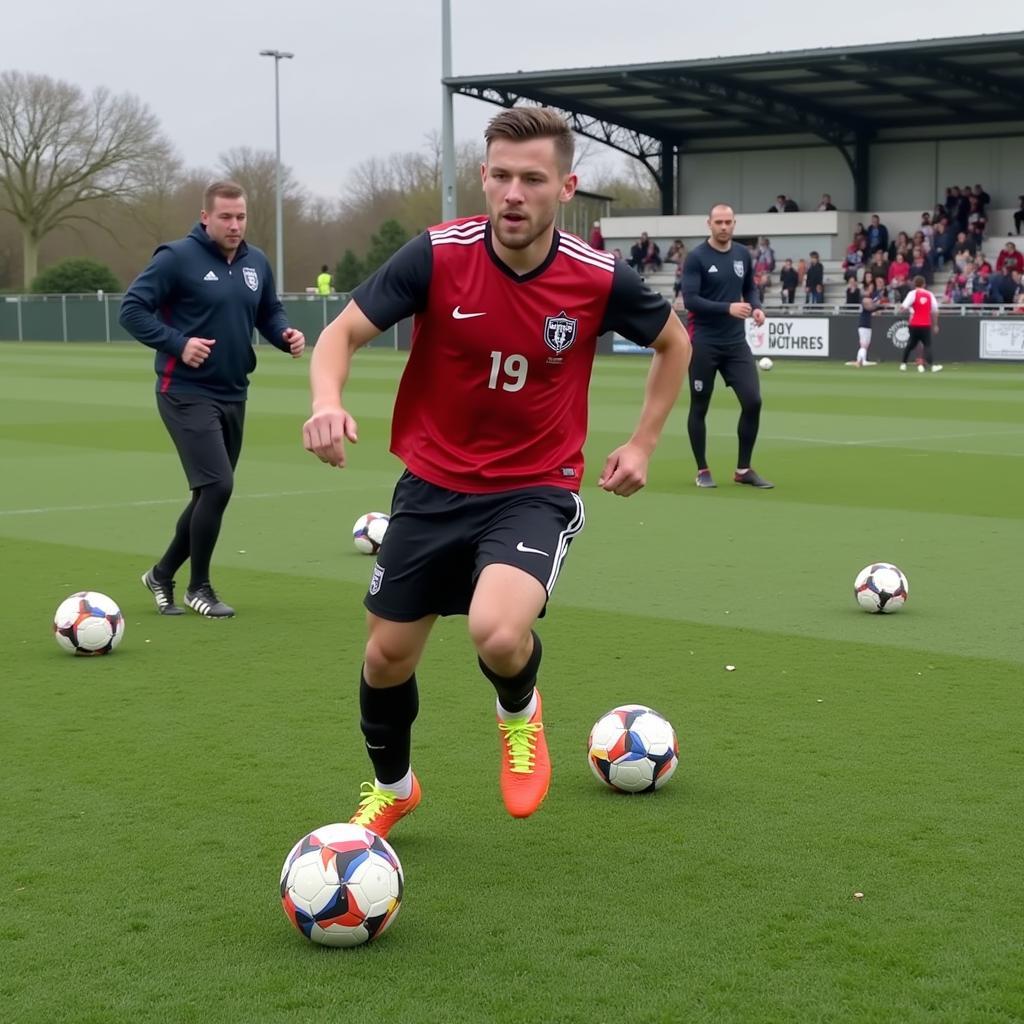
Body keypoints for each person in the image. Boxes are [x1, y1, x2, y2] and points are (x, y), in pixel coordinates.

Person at [301, 107, 690, 836]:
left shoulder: (596, 277)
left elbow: (675, 345)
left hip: (532, 488)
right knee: (386, 657)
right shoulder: (436, 256)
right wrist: (327, 400)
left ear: (565, 186)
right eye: (502, 176)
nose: (514, 193)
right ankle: (395, 787)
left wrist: (642, 443)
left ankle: (520, 713)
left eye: (533, 179)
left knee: (498, 633)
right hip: (431, 485)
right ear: (483, 178)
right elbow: (341, 333)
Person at [120, 181, 305, 618]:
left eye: (240, 217)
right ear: (206, 217)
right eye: (225, 217)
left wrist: (284, 334)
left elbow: (268, 311)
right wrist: (178, 344)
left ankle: (161, 574)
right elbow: (131, 310)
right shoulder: (176, 258)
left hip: (234, 392)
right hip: (184, 392)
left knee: (210, 494)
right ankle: (197, 587)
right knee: (218, 485)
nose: (235, 225)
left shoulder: (256, 261)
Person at [682, 203, 773, 490]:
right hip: (704, 342)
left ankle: (743, 469)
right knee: (700, 405)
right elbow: (691, 301)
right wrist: (727, 308)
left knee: (753, 401)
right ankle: (702, 469)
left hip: (735, 343)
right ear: (708, 223)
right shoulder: (696, 257)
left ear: (735, 224)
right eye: (718, 222)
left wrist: (756, 307)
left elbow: (750, 287)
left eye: (728, 222)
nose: (723, 227)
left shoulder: (743, 254)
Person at [899, 275, 942, 373]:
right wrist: (935, 324)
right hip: (925, 323)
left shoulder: (912, 294)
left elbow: (903, 306)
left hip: (914, 323)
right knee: (927, 345)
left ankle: (903, 364)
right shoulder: (929, 294)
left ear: (914, 284)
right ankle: (931, 366)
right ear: (924, 284)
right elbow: (935, 311)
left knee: (911, 344)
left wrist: (903, 309)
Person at [853, 295, 876, 367]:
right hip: (864, 327)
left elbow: (874, 309)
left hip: (867, 327)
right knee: (864, 344)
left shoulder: (869, 308)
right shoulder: (866, 307)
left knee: (865, 344)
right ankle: (862, 360)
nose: (870, 302)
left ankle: (859, 360)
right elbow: (872, 308)